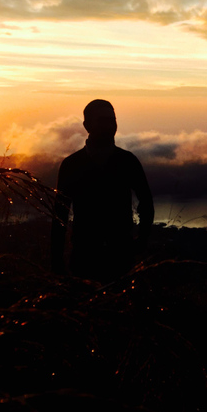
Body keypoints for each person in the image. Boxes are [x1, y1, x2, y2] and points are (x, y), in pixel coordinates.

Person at [51, 99, 154, 281]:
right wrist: (56, 261)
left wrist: (141, 240)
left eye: (112, 120)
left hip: (121, 257)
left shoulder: (128, 161)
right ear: (87, 125)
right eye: (103, 120)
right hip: (84, 257)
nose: (110, 125)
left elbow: (146, 202)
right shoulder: (71, 165)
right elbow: (60, 214)